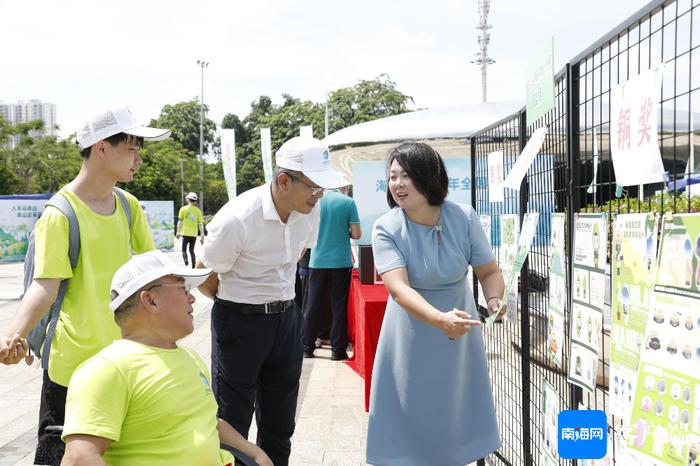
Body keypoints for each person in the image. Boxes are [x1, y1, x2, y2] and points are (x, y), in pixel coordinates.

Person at [0, 107, 167, 464]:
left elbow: (150, 274)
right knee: (60, 457)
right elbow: (44, 285)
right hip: (72, 369)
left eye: (140, 150)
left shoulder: (128, 207)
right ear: (101, 147)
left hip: (124, 360)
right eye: (132, 149)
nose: (138, 159)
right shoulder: (60, 214)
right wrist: (13, 334)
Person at [197, 136, 348, 466]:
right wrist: (239, 305)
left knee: (280, 422)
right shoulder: (237, 218)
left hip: (286, 320)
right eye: (314, 187)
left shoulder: (310, 211)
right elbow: (204, 275)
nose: (319, 195)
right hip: (239, 323)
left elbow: (295, 258)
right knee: (232, 419)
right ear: (284, 180)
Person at [61, 250, 272, 466]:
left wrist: (254, 453)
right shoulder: (108, 369)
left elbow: (208, 422)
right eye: (183, 288)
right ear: (151, 300)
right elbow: (79, 458)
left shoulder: (189, 357)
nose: (192, 298)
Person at [366, 142, 506, 465]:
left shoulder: (464, 217)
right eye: (393, 177)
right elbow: (398, 289)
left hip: (459, 336)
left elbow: (488, 270)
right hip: (410, 336)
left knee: (455, 413)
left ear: (428, 177)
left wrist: (495, 297)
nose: (398, 184)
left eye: (406, 176)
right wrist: (439, 320)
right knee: (410, 420)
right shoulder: (386, 227)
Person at [301, 185, 361, 360]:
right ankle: (338, 350)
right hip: (340, 262)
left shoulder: (315, 202)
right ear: (344, 187)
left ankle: (307, 347)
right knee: (338, 306)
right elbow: (356, 234)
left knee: (313, 305)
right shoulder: (348, 202)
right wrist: (344, 230)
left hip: (317, 261)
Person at [177, 192, 204, 268]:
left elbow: (180, 221)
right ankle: (193, 265)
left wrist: (178, 232)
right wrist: (202, 236)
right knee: (191, 251)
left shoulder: (183, 209)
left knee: (184, 250)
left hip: (185, 233)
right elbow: (200, 224)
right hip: (193, 234)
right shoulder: (198, 211)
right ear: (195, 200)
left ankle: (185, 259)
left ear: (188, 199)